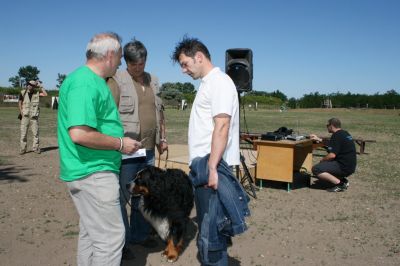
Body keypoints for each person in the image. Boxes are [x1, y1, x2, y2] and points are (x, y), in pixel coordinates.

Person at [57, 32, 142, 266]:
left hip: (91, 170)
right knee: (111, 239)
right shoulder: (85, 82)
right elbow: (80, 133)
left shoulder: (92, 81)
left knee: (91, 235)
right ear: (111, 55)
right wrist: (121, 144)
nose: (121, 63)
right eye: (121, 57)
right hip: (92, 172)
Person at [172, 36, 250, 266]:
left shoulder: (219, 83)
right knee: (210, 229)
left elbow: (222, 125)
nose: (184, 71)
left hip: (212, 167)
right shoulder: (208, 83)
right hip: (205, 166)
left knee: (211, 234)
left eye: (185, 64)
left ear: (199, 57)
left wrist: (213, 168)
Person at [107, 39, 168, 255]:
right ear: (126, 62)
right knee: (124, 196)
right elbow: (108, 115)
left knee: (144, 195)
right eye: (134, 65)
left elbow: (160, 112)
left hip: (149, 149)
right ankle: (121, 243)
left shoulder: (154, 81)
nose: (138, 68)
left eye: (142, 64)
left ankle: (139, 236)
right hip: (127, 150)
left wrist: (163, 138)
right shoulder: (116, 80)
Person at [310, 117, 357, 192]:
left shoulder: (336, 135)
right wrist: (319, 139)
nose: (327, 127)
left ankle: (340, 184)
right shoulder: (344, 133)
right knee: (325, 164)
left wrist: (322, 160)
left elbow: (332, 155)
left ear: (331, 126)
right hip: (350, 166)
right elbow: (333, 144)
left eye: (327, 125)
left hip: (343, 166)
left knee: (316, 169)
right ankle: (343, 180)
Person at [18, 79, 47, 154]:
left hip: (34, 117)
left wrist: (40, 86)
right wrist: (21, 112)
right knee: (23, 134)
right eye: (29, 84)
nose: (29, 86)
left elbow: (45, 94)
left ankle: (35, 148)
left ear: (34, 87)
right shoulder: (23, 92)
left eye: (32, 85)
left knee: (35, 134)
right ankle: (23, 149)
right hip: (25, 117)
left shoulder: (37, 93)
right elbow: (20, 102)